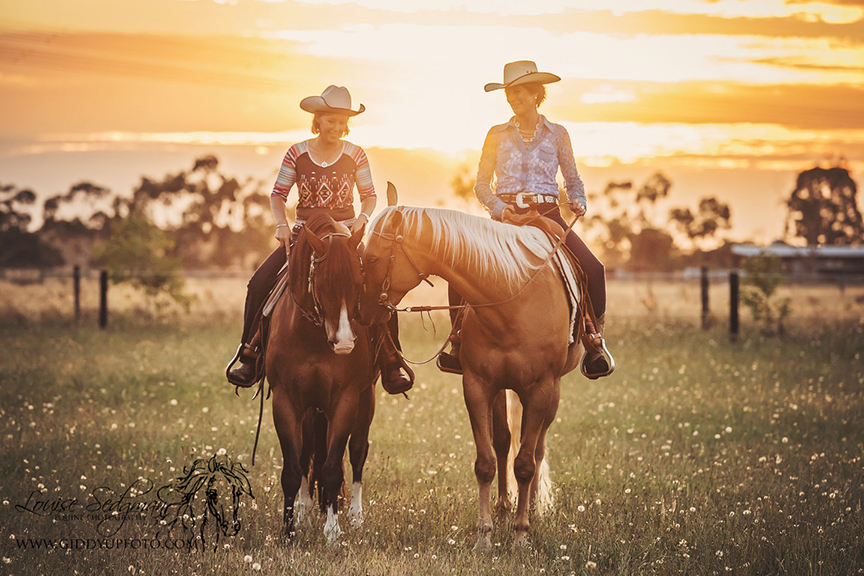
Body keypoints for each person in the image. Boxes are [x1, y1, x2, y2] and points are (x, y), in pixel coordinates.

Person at [227, 85, 413, 394]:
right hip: (305, 235)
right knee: (259, 283)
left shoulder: (355, 154)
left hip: (345, 234)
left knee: (378, 288)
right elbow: (277, 195)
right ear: (318, 120)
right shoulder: (297, 153)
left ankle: (392, 359)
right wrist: (281, 225)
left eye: (342, 123)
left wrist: (362, 220)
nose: (337, 128)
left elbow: (369, 196)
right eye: (331, 121)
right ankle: (250, 354)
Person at [437, 61, 613, 379]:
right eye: (508, 94)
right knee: (457, 271)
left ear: (535, 94)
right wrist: (498, 208)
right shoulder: (495, 134)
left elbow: (573, 179)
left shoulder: (558, 134)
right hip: (505, 216)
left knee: (593, 269)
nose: (512, 99)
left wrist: (580, 200)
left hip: (547, 215)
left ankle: (594, 342)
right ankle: (457, 341)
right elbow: (480, 184)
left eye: (518, 92)